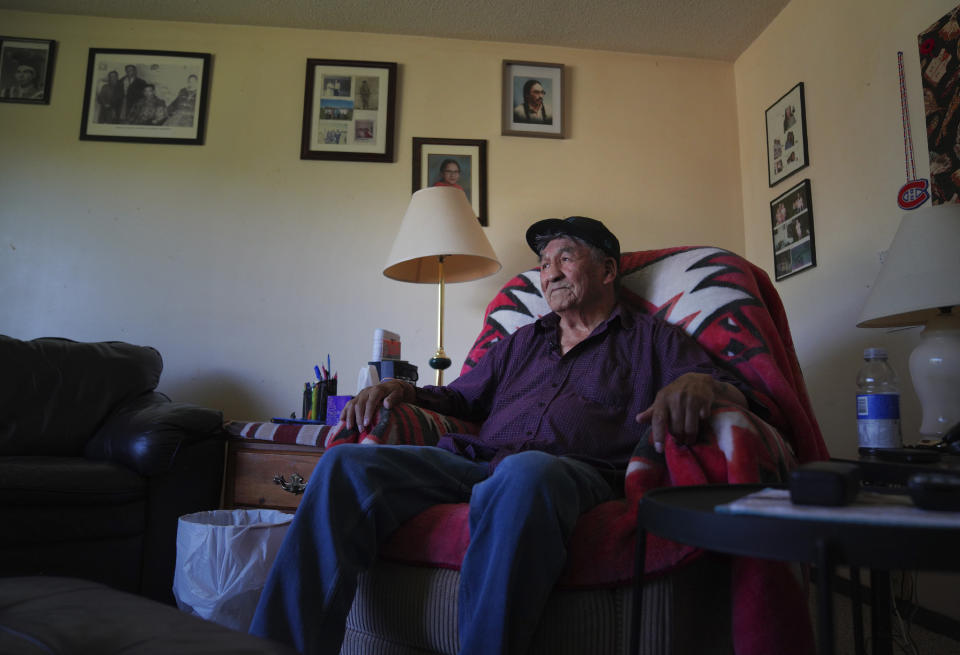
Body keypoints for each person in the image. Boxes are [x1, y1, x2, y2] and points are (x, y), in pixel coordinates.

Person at [250, 216, 762, 655]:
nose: (550, 270)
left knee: (525, 472)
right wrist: (399, 389)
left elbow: (738, 390)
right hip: (475, 463)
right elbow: (458, 399)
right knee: (346, 466)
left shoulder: (650, 339)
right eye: (543, 263)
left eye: (566, 257)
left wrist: (701, 382)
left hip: (570, 474)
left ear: (608, 270)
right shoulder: (522, 342)